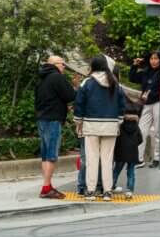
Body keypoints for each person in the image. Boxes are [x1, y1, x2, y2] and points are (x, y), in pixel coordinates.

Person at [75, 54, 124, 201]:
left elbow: (79, 104)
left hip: (91, 126)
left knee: (91, 159)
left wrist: (78, 122)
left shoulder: (87, 83)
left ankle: (90, 191)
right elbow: (121, 106)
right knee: (108, 160)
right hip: (110, 126)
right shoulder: (115, 83)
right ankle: (107, 191)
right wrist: (118, 121)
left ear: (94, 66)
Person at [34, 55, 75, 199]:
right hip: (53, 119)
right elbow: (70, 95)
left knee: (45, 155)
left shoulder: (42, 79)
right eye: (62, 64)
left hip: (42, 119)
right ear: (55, 65)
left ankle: (48, 185)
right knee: (52, 155)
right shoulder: (57, 77)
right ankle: (46, 188)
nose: (64, 66)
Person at [129, 51, 160, 169]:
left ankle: (157, 158)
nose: (153, 61)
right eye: (151, 58)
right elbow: (132, 77)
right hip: (146, 104)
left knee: (158, 132)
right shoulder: (146, 72)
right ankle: (139, 159)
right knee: (141, 130)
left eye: (156, 58)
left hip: (158, 103)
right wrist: (135, 65)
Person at [113, 106, 143, 200]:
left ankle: (111, 186)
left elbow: (116, 139)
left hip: (121, 152)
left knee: (116, 171)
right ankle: (129, 191)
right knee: (131, 173)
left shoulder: (121, 126)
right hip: (133, 153)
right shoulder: (136, 127)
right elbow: (140, 139)